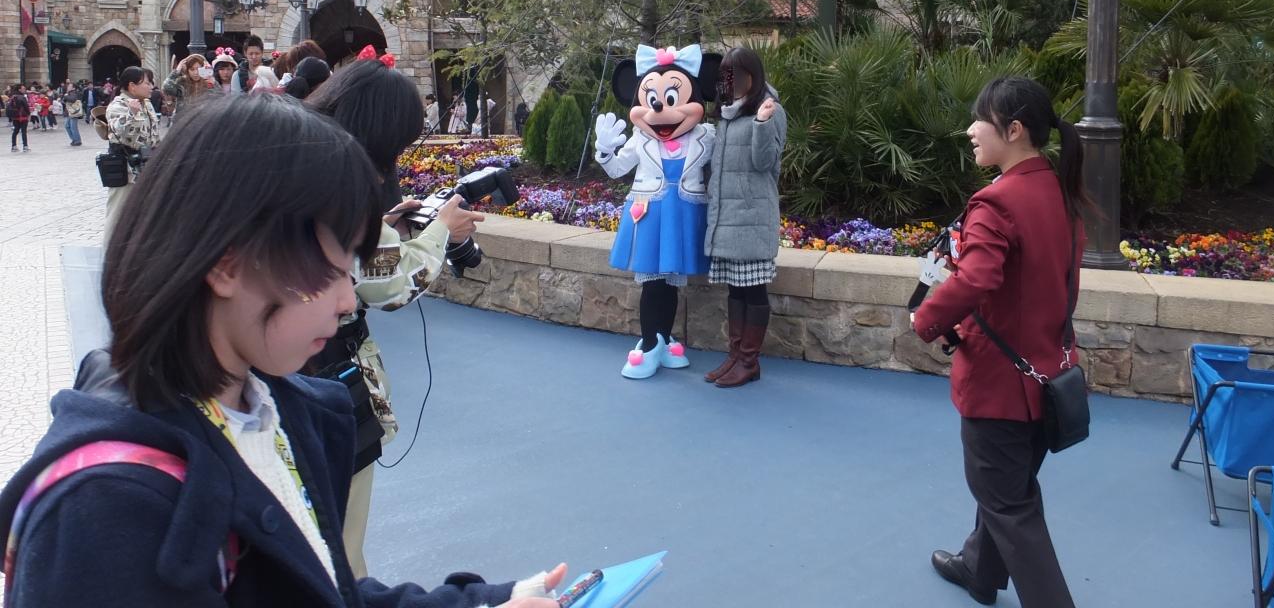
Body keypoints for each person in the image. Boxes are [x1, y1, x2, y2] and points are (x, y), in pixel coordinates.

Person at [0, 93, 566, 608]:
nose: (346, 300)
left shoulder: (277, 407)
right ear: (227, 264)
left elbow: (318, 587)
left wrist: (485, 602)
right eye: (331, 268)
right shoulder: (106, 511)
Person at [306, 58, 486, 576]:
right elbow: (387, 285)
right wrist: (441, 230)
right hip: (329, 380)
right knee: (339, 542)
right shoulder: (344, 185)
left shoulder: (305, 164)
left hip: (298, 381)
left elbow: (357, 258)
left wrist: (384, 227)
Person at [911, 76, 1085, 608]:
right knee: (1008, 488)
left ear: (1013, 130)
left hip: (1001, 386)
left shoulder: (998, 201)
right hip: (1049, 375)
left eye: (980, 120)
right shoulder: (1058, 189)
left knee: (1010, 504)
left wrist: (926, 319)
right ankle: (979, 569)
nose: (970, 130)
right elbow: (1027, 285)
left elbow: (977, 278)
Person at [593, 43, 720, 379]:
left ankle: (663, 338)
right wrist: (604, 151)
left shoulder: (706, 137)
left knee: (671, 283)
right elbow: (617, 169)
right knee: (652, 283)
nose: (661, 108)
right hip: (650, 215)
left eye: (673, 98)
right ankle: (649, 344)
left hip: (684, 215)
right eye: (652, 100)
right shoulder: (641, 139)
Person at [702, 46, 786, 389]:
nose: (731, 80)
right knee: (736, 291)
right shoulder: (728, 113)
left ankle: (749, 361)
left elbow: (765, 164)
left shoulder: (768, 109)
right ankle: (736, 356)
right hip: (728, 217)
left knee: (753, 291)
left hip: (752, 217)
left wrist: (762, 124)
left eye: (737, 73)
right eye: (726, 74)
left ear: (753, 74)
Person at [103, 67, 160, 240]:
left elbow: (153, 134)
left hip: (146, 165)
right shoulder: (118, 105)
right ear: (132, 86)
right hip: (126, 168)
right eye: (147, 83)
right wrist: (131, 114)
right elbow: (118, 132)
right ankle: (110, 250)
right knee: (117, 212)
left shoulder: (146, 103)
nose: (151, 86)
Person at [162, 53, 212, 119]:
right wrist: (176, 71)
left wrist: (209, 73)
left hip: (205, 121)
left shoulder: (208, 83)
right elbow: (166, 87)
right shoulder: (182, 83)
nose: (196, 73)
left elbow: (220, 97)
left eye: (198, 69)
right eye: (192, 69)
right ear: (187, 70)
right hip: (183, 121)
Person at [7, 86, 30, 152]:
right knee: (24, 132)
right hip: (23, 116)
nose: (24, 90)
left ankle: (14, 146)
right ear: (19, 89)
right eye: (23, 89)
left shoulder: (13, 97)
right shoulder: (22, 97)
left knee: (15, 131)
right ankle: (25, 146)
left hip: (15, 117)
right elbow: (26, 107)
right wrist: (28, 114)